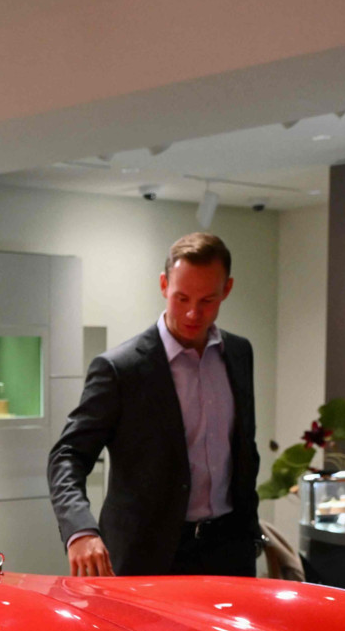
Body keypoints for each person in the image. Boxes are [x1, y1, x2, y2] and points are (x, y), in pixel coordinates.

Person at [49, 232, 261, 578]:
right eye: (181, 298)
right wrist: (80, 530)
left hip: (228, 552)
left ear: (227, 289)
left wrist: (250, 533)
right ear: (164, 285)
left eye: (207, 300)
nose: (193, 313)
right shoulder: (121, 368)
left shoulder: (239, 354)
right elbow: (68, 455)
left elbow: (243, 450)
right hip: (146, 556)